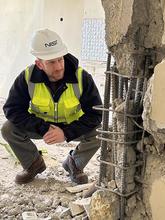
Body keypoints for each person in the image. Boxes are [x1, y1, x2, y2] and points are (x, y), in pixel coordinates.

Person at [1, 28, 102, 185]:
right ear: (39, 64)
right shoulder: (27, 77)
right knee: (8, 129)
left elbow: (96, 114)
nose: (59, 67)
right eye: (51, 62)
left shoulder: (82, 77)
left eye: (60, 59)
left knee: (100, 132)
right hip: (41, 126)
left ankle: (74, 163)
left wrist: (66, 133)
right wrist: (44, 128)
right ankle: (33, 164)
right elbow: (12, 109)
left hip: (72, 125)